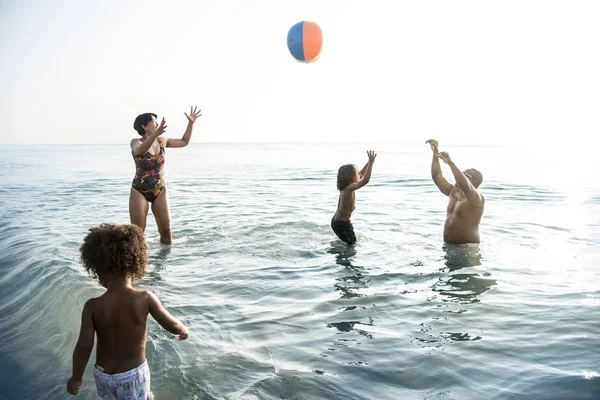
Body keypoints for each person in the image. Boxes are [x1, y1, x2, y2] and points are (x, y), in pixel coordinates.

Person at [66, 224, 189, 398]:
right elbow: (172, 325)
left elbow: (84, 346)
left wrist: (76, 378)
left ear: (97, 269)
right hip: (134, 376)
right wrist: (183, 330)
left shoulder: (92, 306)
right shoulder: (146, 298)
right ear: (134, 265)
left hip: (104, 377)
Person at [130, 106, 202, 245]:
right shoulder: (135, 142)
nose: (158, 125)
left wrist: (190, 123)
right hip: (139, 190)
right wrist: (155, 134)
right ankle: (139, 263)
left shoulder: (162, 141)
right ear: (144, 126)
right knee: (137, 234)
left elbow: (184, 142)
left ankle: (163, 265)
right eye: (154, 123)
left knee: (166, 232)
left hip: (160, 189)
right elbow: (140, 150)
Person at [426, 139, 485, 244]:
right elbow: (437, 176)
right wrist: (435, 154)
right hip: (449, 246)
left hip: (467, 249)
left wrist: (450, 163)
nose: (459, 176)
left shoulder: (477, 199)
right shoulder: (454, 192)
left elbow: (467, 187)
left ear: (474, 180)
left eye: (464, 174)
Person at [331, 150, 377, 245]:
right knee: (352, 245)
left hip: (336, 222)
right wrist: (371, 164)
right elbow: (365, 180)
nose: (359, 175)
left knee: (348, 242)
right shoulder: (350, 187)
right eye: (356, 174)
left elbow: (361, 175)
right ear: (351, 177)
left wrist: (369, 162)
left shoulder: (344, 187)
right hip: (342, 224)